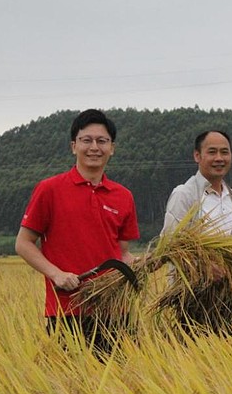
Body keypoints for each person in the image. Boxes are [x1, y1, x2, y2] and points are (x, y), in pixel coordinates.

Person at [15, 109, 140, 355]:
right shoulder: (50, 189)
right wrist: (56, 274)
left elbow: (122, 254)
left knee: (120, 387)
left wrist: (142, 264)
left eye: (102, 141)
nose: (94, 147)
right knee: (67, 387)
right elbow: (23, 243)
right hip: (66, 309)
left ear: (112, 148)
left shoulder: (123, 196)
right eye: (87, 140)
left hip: (115, 310)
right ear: (74, 146)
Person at [160, 130, 232, 334]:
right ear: (197, 156)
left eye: (224, 152)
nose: (219, 158)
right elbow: (170, 245)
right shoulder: (185, 194)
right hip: (195, 298)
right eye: (212, 152)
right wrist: (203, 266)